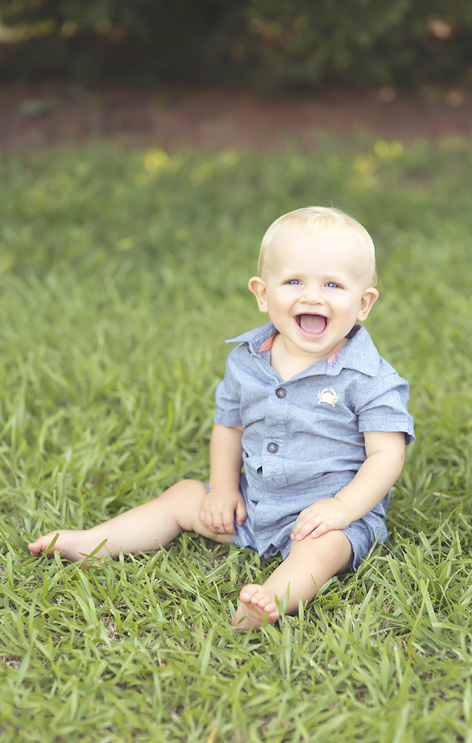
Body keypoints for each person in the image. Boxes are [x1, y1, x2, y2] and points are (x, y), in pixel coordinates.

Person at [29, 206, 414, 631]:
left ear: (363, 303)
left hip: (329, 514)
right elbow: (229, 426)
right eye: (293, 282)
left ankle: (270, 599)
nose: (312, 296)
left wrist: (342, 509)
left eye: (332, 285)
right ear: (262, 294)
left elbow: (386, 456)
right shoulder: (246, 362)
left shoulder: (371, 379)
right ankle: (93, 542)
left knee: (320, 551)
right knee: (182, 496)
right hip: (253, 502)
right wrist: (225, 490)